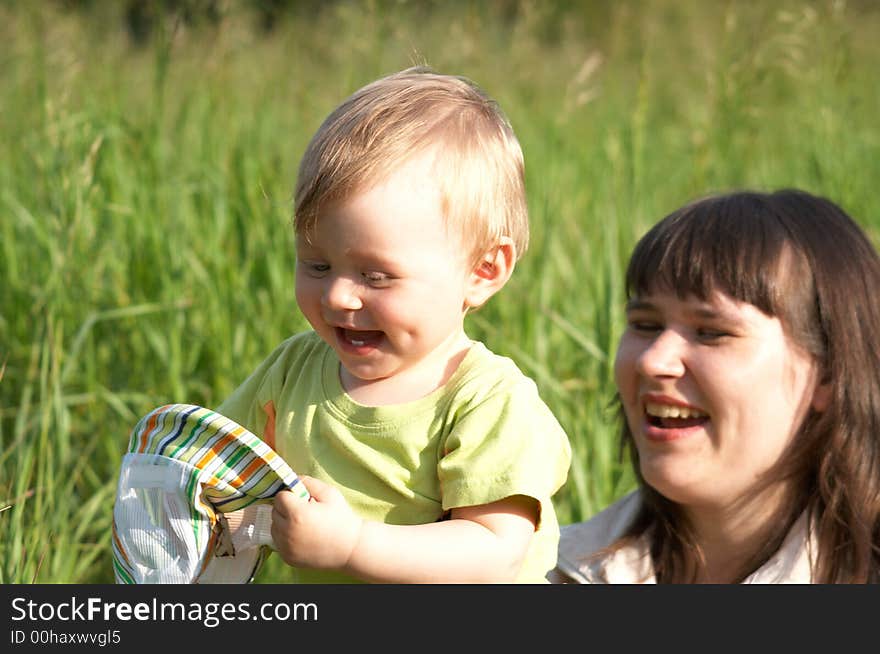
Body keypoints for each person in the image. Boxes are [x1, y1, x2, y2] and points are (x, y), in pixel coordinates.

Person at [215, 66, 572, 583]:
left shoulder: (486, 401)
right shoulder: (292, 373)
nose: (338, 295)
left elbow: (494, 551)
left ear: (482, 271)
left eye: (376, 276)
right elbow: (218, 465)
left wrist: (352, 544)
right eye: (316, 265)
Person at [550, 189, 880, 584]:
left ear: (827, 372)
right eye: (645, 324)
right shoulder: (534, 572)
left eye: (711, 332)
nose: (654, 361)